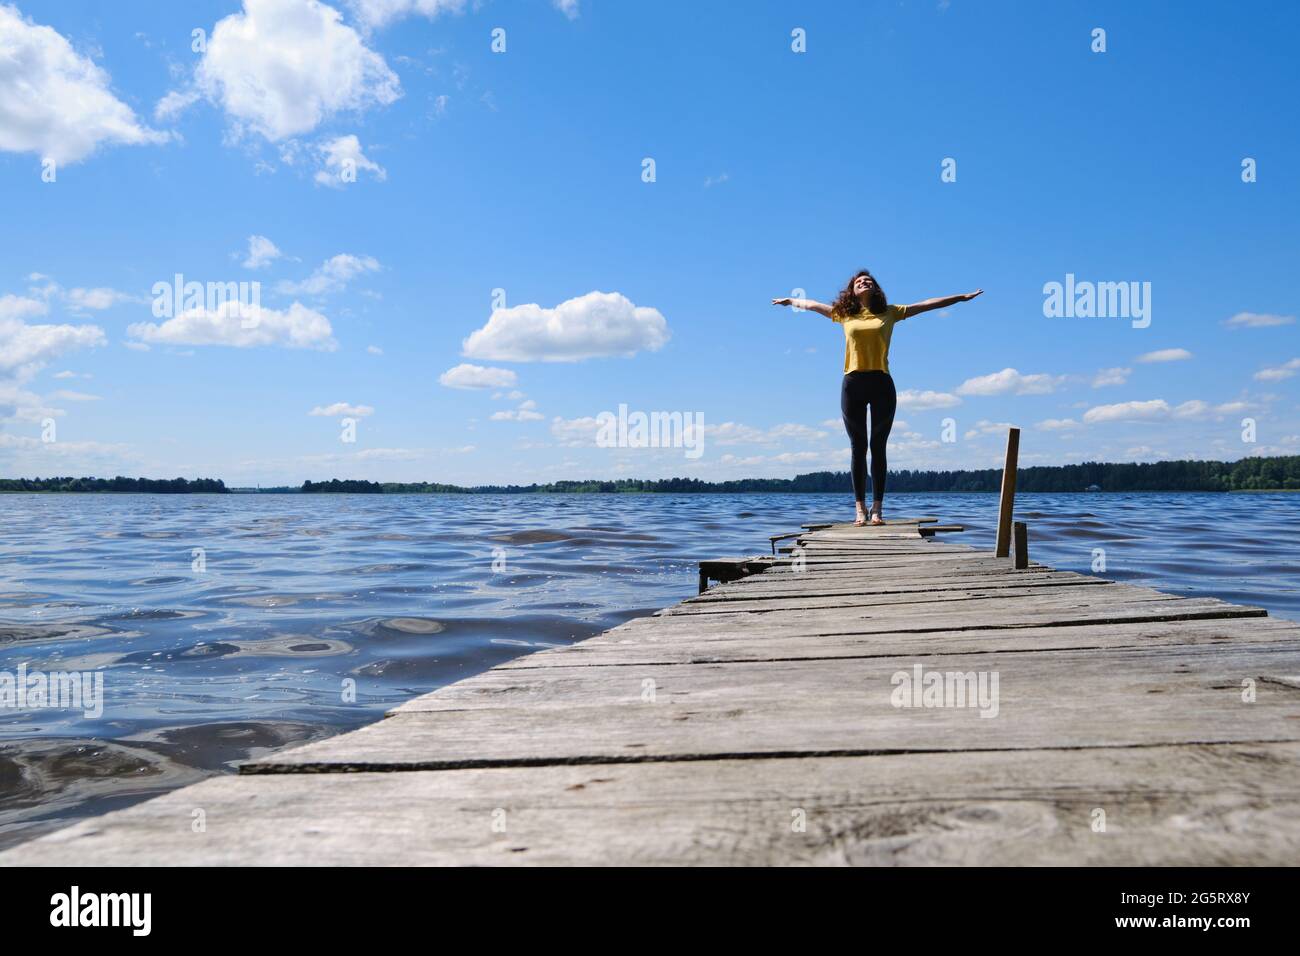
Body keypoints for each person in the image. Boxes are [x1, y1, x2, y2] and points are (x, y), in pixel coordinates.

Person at [773, 270, 982, 525]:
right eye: (859, 281)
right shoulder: (844, 314)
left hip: (882, 383)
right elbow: (813, 305)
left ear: (876, 288)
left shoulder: (890, 312)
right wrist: (790, 301)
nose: (864, 282)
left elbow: (927, 304)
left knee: (878, 447)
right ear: (852, 290)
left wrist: (960, 297)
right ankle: (859, 509)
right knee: (858, 447)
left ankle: (878, 509)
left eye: (868, 280)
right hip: (853, 383)